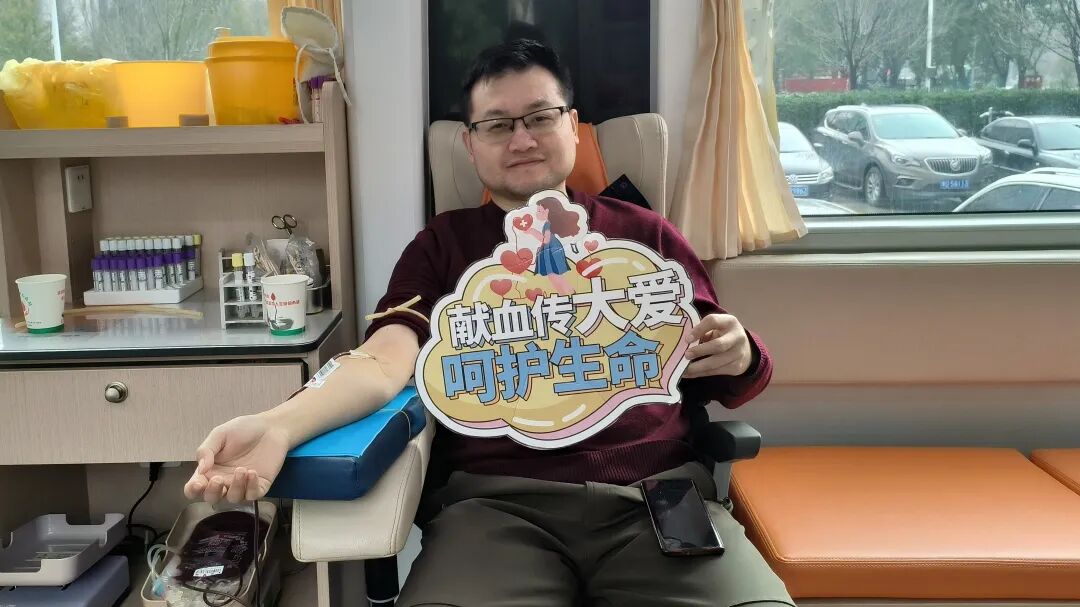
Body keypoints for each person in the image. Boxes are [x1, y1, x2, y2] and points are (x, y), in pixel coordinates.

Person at [185, 39, 794, 607]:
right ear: (471, 145)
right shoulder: (442, 246)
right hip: (495, 508)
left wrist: (741, 351)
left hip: (657, 495)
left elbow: (723, 365)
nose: (521, 139)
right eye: (498, 125)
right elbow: (381, 361)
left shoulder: (644, 235)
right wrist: (277, 425)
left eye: (540, 117)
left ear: (573, 126)